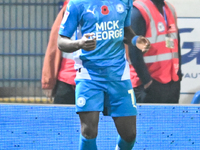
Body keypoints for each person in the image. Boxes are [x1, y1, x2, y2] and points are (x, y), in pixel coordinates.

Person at [57, 0, 150, 149]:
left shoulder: (124, 1)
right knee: (88, 131)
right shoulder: (77, 4)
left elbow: (125, 30)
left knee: (130, 135)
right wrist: (79, 44)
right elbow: (61, 41)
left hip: (119, 75)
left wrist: (135, 39)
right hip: (89, 76)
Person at [127, 0, 182, 103]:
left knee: (171, 119)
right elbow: (134, 52)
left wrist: (178, 75)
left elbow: (176, 43)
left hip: (171, 82)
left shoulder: (170, 8)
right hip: (147, 84)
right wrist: (147, 82)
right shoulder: (139, 10)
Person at [41, 0, 76, 104]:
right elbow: (54, 47)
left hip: (96, 82)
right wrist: (48, 81)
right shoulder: (68, 8)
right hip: (69, 81)